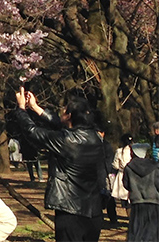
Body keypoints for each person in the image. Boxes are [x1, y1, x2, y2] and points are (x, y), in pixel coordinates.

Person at [13, 86, 106, 242]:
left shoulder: (64, 140)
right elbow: (62, 125)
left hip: (70, 211)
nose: (61, 112)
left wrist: (21, 109)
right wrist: (35, 108)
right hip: (93, 211)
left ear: (69, 115)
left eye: (64, 110)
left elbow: (32, 131)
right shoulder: (95, 138)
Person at [122, 150, 159, 241]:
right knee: (153, 233)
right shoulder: (155, 167)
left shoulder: (128, 167)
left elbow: (126, 184)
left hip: (136, 203)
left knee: (136, 232)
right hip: (153, 203)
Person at [111, 134, 134, 209]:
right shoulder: (134, 151)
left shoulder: (119, 151)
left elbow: (115, 165)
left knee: (124, 198)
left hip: (122, 175)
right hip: (133, 175)